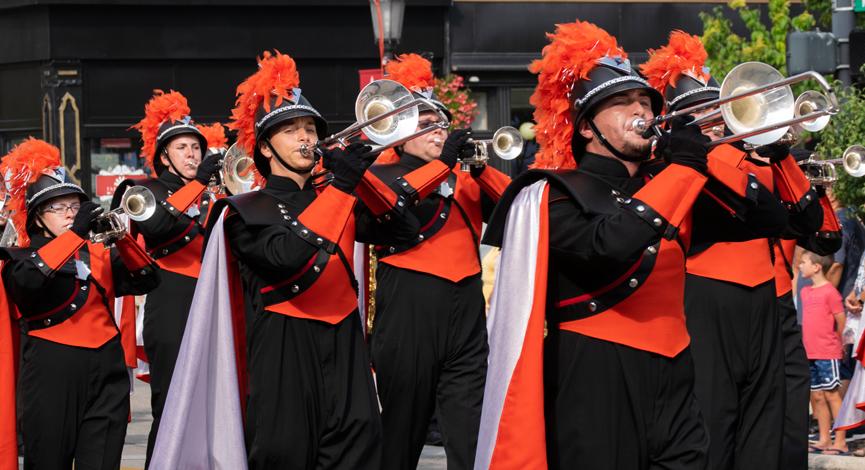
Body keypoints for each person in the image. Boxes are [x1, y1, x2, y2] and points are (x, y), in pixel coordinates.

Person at [476, 21, 787, 470]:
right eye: (621, 102)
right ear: (585, 128)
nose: (640, 109)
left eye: (645, 100)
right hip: (596, 375)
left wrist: (718, 156)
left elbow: (774, 220)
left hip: (678, 375)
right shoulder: (551, 192)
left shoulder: (673, 179)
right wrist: (683, 167)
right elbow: (609, 246)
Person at [641, 31, 825, 470]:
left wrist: (781, 153)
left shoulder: (749, 161)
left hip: (764, 298)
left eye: (717, 110)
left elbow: (812, 228)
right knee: (713, 424)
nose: (718, 121)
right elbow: (730, 198)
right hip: (705, 294)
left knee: (765, 428)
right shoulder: (672, 163)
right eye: (704, 112)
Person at [366, 53, 512, 470]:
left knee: (470, 427)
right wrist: (444, 162)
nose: (437, 129)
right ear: (401, 133)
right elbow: (392, 206)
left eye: (440, 122)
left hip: (464, 306)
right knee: (402, 428)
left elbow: (519, 207)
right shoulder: (383, 174)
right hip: (409, 303)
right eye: (425, 122)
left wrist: (481, 168)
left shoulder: (463, 177)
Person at [0, 138, 159, 469]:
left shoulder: (97, 253)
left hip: (108, 371)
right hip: (52, 373)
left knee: (102, 461)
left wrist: (122, 237)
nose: (71, 214)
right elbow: (28, 284)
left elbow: (147, 278)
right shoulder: (19, 257)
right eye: (59, 208)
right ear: (38, 217)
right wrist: (76, 235)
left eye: (75, 207)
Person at [115, 89, 222, 466]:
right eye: (182, 148)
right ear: (164, 156)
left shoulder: (213, 192)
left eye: (196, 147)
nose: (193, 154)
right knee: (172, 405)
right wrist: (197, 187)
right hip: (173, 297)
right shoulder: (146, 191)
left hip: (217, 298)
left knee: (217, 405)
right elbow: (158, 227)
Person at [799, 250, 847, 454]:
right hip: (810, 352)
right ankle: (824, 439)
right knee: (817, 396)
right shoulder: (805, 292)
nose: (800, 266)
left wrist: (837, 343)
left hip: (828, 352)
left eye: (803, 262)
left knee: (832, 395)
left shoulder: (830, 292)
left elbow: (841, 321)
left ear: (816, 267)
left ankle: (841, 441)